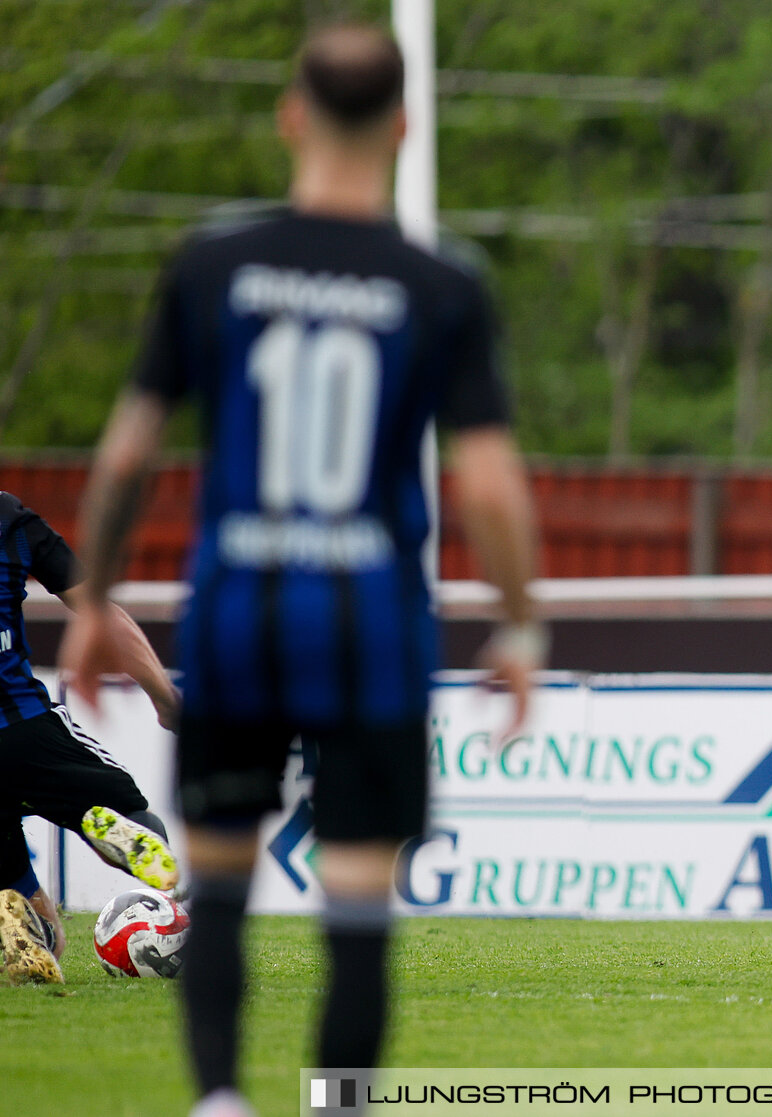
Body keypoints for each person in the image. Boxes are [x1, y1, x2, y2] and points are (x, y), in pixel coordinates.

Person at [59, 23, 541, 1117]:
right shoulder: (442, 283)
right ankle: (342, 1105)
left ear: (290, 116)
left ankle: (222, 1096)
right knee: (359, 895)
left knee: (219, 881)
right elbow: (493, 487)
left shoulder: (213, 263)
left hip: (240, 612)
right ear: (406, 129)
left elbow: (130, 450)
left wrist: (92, 598)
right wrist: (520, 629)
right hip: (370, 624)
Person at [0, 492, 183, 985]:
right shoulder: (11, 520)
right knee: (135, 815)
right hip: (23, 727)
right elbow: (100, 615)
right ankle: (101, 820)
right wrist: (163, 696)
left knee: (25, 909)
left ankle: (31, 932)